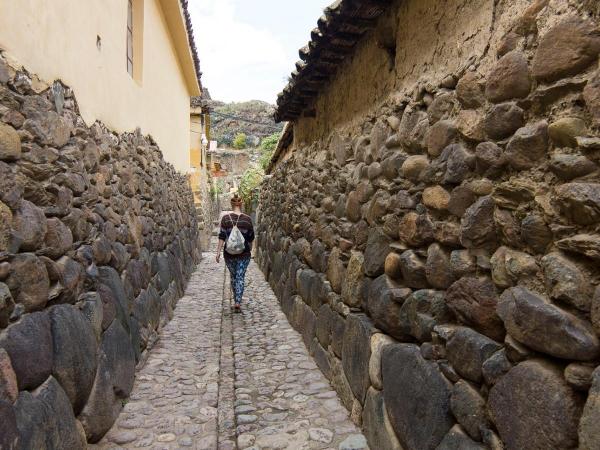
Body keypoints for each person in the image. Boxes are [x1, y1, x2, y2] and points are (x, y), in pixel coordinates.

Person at [216, 194, 255, 312]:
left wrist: (217, 252)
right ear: (241, 204)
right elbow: (251, 238)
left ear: (231, 204)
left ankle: (236, 299)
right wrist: (250, 250)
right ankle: (238, 301)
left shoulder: (225, 219)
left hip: (229, 254)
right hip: (244, 254)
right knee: (240, 276)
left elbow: (222, 236)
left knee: (234, 276)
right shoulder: (247, 219)